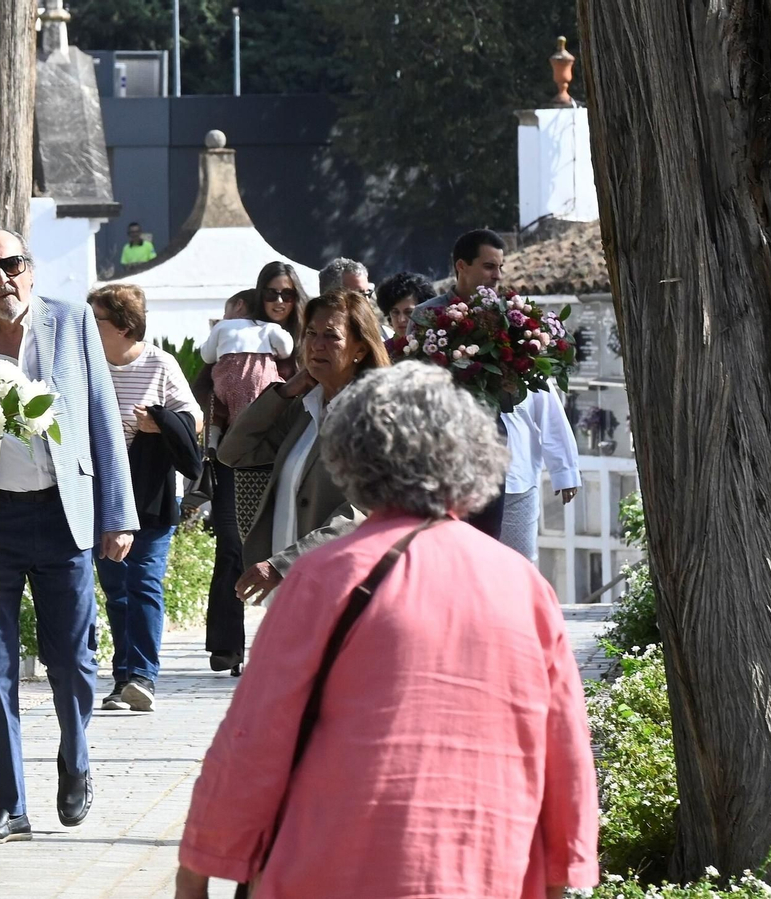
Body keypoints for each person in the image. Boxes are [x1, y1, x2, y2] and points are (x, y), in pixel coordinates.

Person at [175, 363, 599, 899]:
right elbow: (562, 747)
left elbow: (257, 734)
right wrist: (562, 872)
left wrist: (198, 869)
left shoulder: (324, 575)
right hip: (491, 867)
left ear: (350, 457)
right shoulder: (523, 585)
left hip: (334, 866)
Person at [0, 228, 138, 844]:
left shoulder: (71, 322)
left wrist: (118, 514)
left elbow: (101, 415)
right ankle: (8, 806)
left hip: (66, 511)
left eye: (10, 266)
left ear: (30, 270)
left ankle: (76, 756)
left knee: (72, 661)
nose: (0, 280)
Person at [220, 289, 392, 603]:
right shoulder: (304, 408)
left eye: (332, 336)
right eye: (311, 333)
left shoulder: (373, 414)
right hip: (294, 592)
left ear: (360, 350)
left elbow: (359, 513)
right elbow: (234, 452)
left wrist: (281, 565)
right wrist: (284, 393)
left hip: (341, 590)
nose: (316, 344)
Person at [89, 284, 203, 713]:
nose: (89, 325)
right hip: (102, 491)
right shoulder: (88, 365)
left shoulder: (160, 363)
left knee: (144, 583)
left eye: (96, 319)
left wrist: (158, 424)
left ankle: (142, 676)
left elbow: (193, 418)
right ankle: (123, 678)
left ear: (123, 325)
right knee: (116, 587)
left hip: (151, 492)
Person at [203, 264, 308, 674]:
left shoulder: (303, 342)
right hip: (238, 457)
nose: (279, 302)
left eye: (286, 294)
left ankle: (287, 644)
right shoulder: (238, 337)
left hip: (293, 457)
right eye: (271, 294)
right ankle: (228, 645)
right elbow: (211, 384)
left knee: (289, 545)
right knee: (232, 545)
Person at [414, 228, 510, 539]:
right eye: (489, 266)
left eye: (500, 267)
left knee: (486, 543)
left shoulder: (508, 317)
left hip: (487, 448)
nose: (497, 276)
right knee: (441, 540)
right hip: (439, 449)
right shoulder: (427, 315)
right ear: (461, 266)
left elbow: (511, 395)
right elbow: (412, 384)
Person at [501, 383, 582, 562]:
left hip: (516, 480)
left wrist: (565, 472)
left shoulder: (528, 365)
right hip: (463, 481)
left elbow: (551, 417)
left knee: (519, 561)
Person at [373, 271, 437, 340]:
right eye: (395, 312)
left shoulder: (438, 343)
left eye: (409, 312)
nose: (401, 320)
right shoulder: (386, 349)